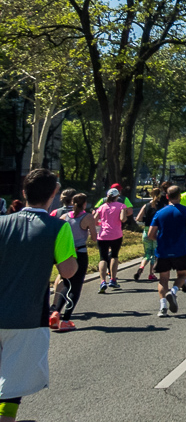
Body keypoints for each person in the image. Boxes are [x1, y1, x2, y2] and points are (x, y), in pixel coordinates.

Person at [0, 169, 79, 422]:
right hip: (27, 317)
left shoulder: (1, 223)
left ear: (23, 192)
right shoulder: (58, 227)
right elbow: (68, 270)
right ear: (54, 194)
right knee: (12, 383)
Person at [148, 185, 186, 318]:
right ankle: (174, 291)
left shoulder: (160, 213)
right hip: (180, 249)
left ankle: (163, 307)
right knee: (182, 275)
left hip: (163, 250)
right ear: (180, 196)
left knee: (163, 278)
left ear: (167, 197)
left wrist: (159, 240)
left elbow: (150, 234)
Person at [49, 193, 94, 332]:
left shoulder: (64, 217)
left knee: (66, 283)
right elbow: (94, 237)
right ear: (84, 204)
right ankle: (66, 320)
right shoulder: (87, 217)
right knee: (76, 286)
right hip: (80, 252)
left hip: (66, 253)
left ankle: (56, 312)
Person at [94, 189, 128, 292]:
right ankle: (113, 279)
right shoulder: (121, 206)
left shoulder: (102, 207)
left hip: (103, 235)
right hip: (116, 234)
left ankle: (102, 281)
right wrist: (124, 216)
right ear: (117, 196)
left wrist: (102, 223)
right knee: (114, 255)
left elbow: (95, 220)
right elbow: (123, 219)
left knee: (103, 258)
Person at [133, 188, 167, 282]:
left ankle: (141, 266)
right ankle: (151, 273)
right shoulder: (162, 206)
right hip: (157, 231)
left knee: (147, 253)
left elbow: (138, 218)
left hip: (147, 231)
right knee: (155, 253)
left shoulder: (146, 205)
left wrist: (146, 219)